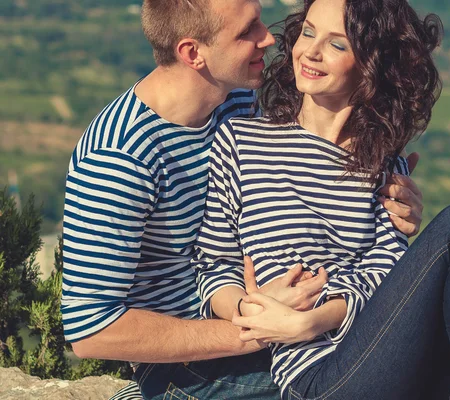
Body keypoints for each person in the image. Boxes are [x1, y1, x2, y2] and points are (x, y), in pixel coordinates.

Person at [195, 0, 450, 399]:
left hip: (396, 354)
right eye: (308, 32)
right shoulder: (243, 141)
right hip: (322, 379)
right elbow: (213, 265)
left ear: (371, 65)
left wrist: (317, 319)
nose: (311, 51)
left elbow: (385, 274)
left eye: (337, 44)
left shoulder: (383, 165)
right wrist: (248, 310)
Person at [59, 0, 425, 399]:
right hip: (196, 364)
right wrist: (253, 328)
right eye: (247, 31)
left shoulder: (234, 101)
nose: (268, 38)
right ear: (193, 53)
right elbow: (91, 331)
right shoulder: (119, 158)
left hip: (271, 333)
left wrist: (386, 206)